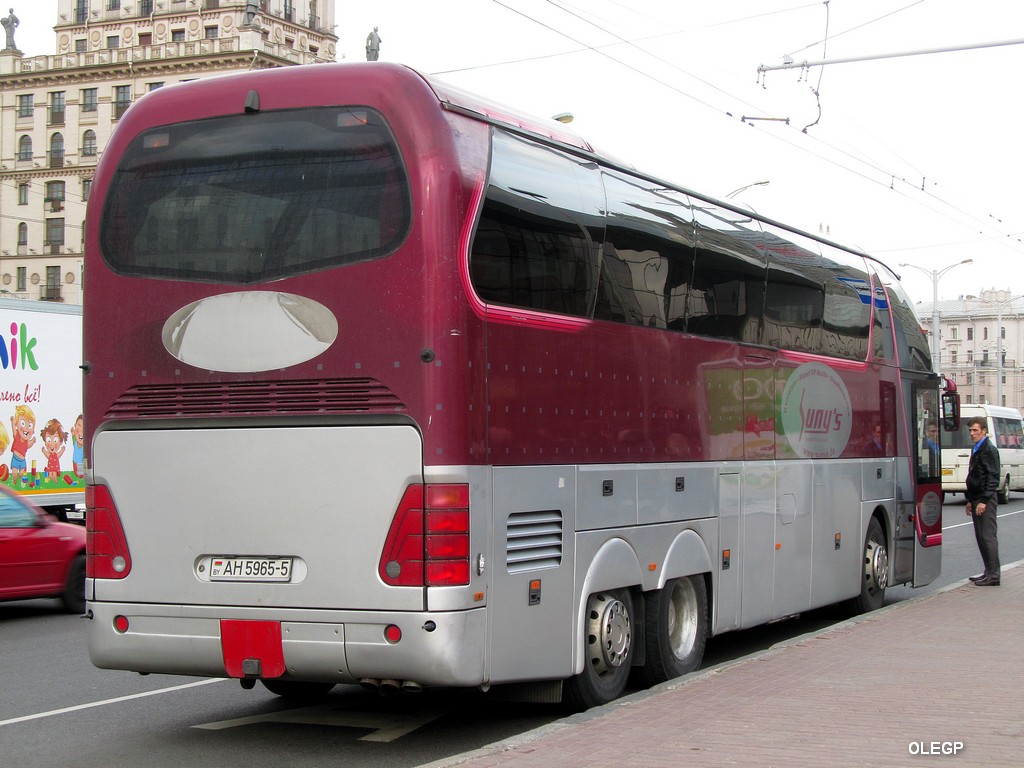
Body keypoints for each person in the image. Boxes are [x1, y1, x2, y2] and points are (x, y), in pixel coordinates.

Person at [965, 416, 1001, 586]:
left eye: (975, 430)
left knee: (987, 536)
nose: (972, 433)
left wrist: (983, 501)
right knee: (980, 536)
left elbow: (992, 477)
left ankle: (994, 575)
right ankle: (988, 571)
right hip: (976, 498)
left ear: (984, 431)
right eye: (970, 430)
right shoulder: (977, 448)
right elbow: (974, 476)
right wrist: (970, 500)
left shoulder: (989, 450)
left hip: (984, 499)